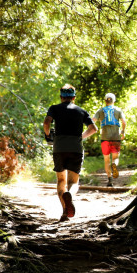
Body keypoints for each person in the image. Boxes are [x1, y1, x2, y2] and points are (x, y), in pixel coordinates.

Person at [43, 85, 97, 222]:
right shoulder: (81, 111)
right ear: (74, 97)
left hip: (59, 147)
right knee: (74, 181)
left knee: (61, 180)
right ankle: (70, 195)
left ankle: (64, 213)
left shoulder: (54, 108)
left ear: (61, 97)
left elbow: (46, 122)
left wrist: (48, 135)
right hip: (76, 148)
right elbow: (93, 129)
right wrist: (80, 137)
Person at [92, 93, 127, 187]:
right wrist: (123, 131)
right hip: (116, 137)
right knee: (115, 157)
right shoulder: (118, 110)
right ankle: (114, 165)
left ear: (105, 101)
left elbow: (92, 121)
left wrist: (94, 129)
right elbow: (124, 121)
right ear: (114, 101)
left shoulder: (100, 111)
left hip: (105, 138)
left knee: (106, 159)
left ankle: (109, 180)